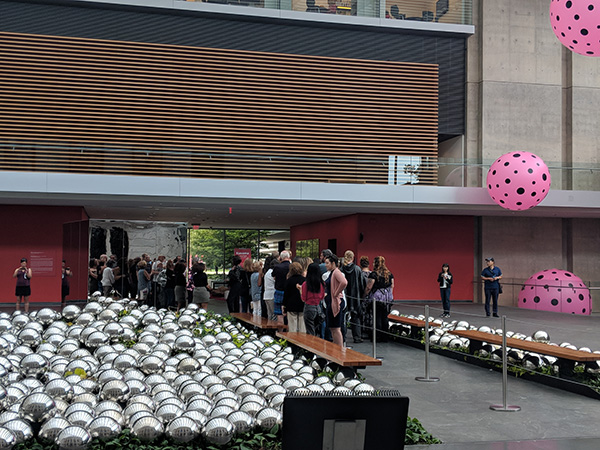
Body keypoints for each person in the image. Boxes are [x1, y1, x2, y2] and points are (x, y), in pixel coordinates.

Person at [364, 256, 394, 342]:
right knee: (385, 317)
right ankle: (385, 336)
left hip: (376, 299)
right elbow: (392, 286)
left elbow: (369, 287)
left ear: (375, 263)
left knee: (377, 317)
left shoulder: (374, 274)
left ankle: (377, 336)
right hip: (386, 298)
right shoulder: (389, 274)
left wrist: (364, 296)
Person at [341, 250, 366, 343]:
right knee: (356, 317)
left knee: (343, 317)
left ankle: (342, 336)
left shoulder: (341, 269)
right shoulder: (357, 269)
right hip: (356, 296)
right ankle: (357, 337)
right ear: (353, 257)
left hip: (344, 295)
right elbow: (362, 284)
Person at [323, 254, 347, 347]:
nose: (326, 265)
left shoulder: (336, 272)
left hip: (335, 301)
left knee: (336, 328)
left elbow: (344, 282)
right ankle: (337, 348)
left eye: (327, 263)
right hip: (331, 301)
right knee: (333, 328)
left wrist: (336, 293)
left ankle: (339, 349)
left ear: (333, 263)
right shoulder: (333, 272)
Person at [300, 262, 326, 336]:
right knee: (316, 328)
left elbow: (303, 298)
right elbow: (321, 296)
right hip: (318, 307)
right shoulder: (322, 283)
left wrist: (300, 291)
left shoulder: (306, 284)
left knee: (310, 330)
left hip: (309, 307)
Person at [283, 262, 306, 333]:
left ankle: (292, 342)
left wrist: (284, 305)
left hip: (291, 305)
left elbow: (286, 294)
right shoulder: (304, 280)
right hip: (302, 305)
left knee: (292, 327)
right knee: (302, 327)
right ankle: (302, 341)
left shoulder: (288, 281)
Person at [273, 250, 292, 326]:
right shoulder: (292, 266)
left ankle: (280, 333)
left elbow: (273, 276)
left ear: (280, 257)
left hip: (279, 291)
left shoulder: (277, 267)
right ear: (289, 257)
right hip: (290, 292)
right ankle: (288, 333)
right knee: (289, 313)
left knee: (279, 314)